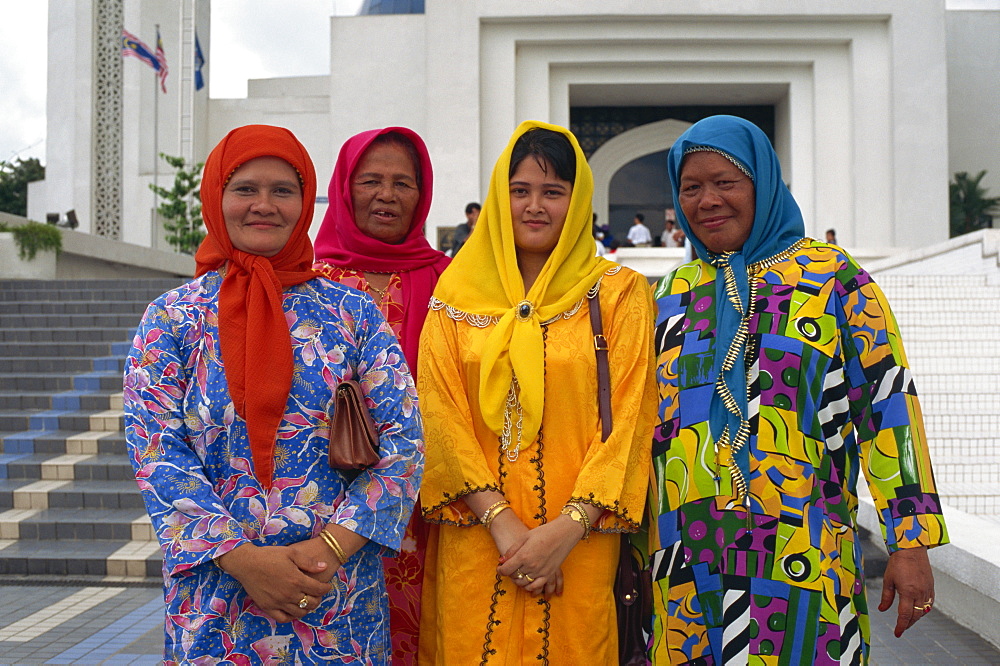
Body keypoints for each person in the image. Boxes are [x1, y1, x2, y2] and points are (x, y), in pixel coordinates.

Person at [648, 115, 948, 664]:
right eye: (691, 188)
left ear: (762, 185)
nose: (707, 200)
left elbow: (888, 408)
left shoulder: (834, 279)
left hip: (802, 563)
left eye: (725, 182)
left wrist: (910, 541)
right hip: (688, 572)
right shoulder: (669, 296)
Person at [123, 124, 423, 663]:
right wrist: (244, 560)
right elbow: (155, 448)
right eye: (245, 189)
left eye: (283, 190)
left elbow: (404, 444)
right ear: (216, 198)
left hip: (335, 598)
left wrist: (329, 550)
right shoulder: (172, 318)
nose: (264, 205)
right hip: (216, 598)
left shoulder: (353, 314)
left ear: (306, 202)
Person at [417, 121, 657, 664]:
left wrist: (565, 531)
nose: (534, 206)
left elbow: (630, 419)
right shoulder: (455, 296)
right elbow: (439, 413)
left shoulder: (619, 295)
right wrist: (502, 524)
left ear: (578, 203)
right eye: (519, 190)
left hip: (580, 546)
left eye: (553, 192)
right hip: (477, 539)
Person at [313, 126, 450, 664]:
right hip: (326, 503)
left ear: (423, 194)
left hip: (430, 498)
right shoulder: (305, 280)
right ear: (345, 189)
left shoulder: (452, 282)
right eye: (370, 180)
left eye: (402, 183)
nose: (387, 195)